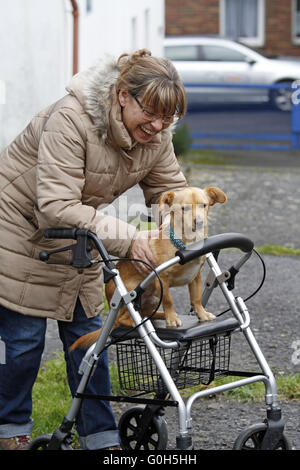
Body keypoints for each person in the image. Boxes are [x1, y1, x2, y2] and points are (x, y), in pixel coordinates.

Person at [0, 49, 187, 450]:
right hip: (18, 232)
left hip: (82, 236)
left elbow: (169, 194)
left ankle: (100, 437)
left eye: (167, 119)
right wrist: (130, 237)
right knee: (23, 344)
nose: (157, 126)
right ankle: (10, 430)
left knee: (89, 340)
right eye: (150, 113)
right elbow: (55, 206)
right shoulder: (69, 120)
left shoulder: (155, 136)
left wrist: (186, 229)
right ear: (122, 95)